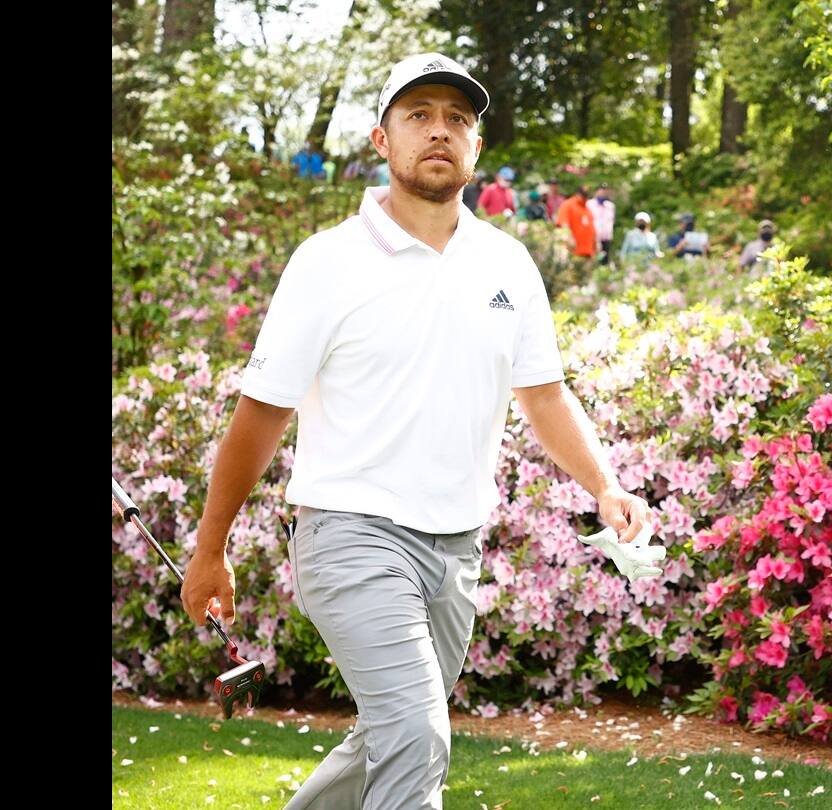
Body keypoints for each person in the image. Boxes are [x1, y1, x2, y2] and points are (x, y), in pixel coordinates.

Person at [178, 52, 660, 810]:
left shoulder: (508, 264)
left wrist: (605, 484)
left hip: (456, 547)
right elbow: (261, 412)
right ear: (381, 139)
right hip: (351, 533)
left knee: (390, 736)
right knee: (417, 734)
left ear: (476, 149)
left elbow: (544, 395)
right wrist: (211, 550)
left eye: (458, 119)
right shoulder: (326, 262)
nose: (439, 131)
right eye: (419, 115)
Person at [554, 184, 597, 259]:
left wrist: (596, 243)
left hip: (587, 250)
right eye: (583, 195)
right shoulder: (568, 205)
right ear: (577, 194)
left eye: (586, 196)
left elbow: (592, 228)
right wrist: (569, 238)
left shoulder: (587, 209)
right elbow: (564, 224)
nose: (585, 198)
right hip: (573, 250)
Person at [586, 183, 617, 265]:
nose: (603, 192)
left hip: (606, 238)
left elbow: (611, 221)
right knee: (593, 260)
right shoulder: (589, 204)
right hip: (593, 238)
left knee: (604, 260)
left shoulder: (610, 206)